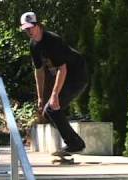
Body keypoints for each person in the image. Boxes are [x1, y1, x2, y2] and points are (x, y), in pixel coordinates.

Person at [20, 12, 89, 153]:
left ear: (38, 26)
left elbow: (62, 68)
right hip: (65, 76)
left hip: (76, 75)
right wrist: (40, 97)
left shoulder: (53, 40)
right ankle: (74, 142)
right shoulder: (33, 45)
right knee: (48, 113)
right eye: (26, 29)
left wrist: (55, 94)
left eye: (31, 28)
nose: (29, 32)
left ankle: (75, 144)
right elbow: (39, 71)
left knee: (52, 107)